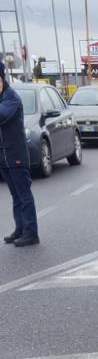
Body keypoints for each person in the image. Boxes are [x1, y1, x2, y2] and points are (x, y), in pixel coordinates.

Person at [0, 61, 39, 248]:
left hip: (15, 154)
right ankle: (20, 228)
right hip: (3, 155)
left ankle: (31, 233)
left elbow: (2, 116)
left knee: (23, 195)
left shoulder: (11, 99)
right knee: (15, 195)